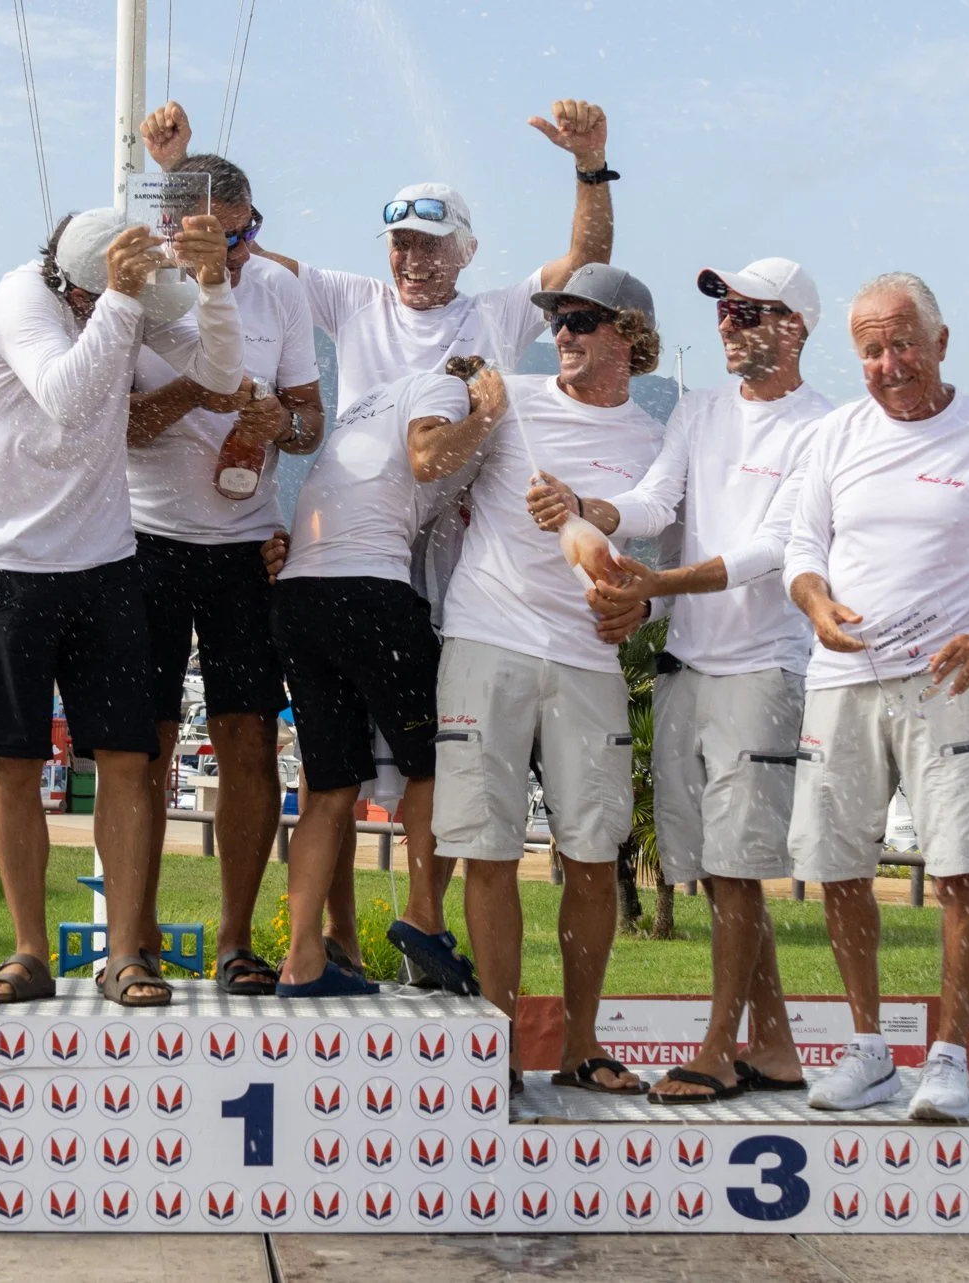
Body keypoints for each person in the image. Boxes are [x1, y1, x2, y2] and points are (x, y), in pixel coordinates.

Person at [150, 96, 617, 994]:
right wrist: (172, 172)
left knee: (374, 766)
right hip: (360, 555)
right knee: (396, 759)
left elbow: (585, 265)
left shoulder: (494, 312)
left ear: (466, 252)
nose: (411, 258)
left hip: (428, 559)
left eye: (430, 244)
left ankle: (338, 954)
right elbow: (228, 244)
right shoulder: (351, 299)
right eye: (398, 242)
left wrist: (589, 163)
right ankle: (391, 940)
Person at [782, 272, 969, 1119]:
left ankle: (947, 1057)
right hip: (842, 679)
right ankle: (868, 1049)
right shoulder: (834, 435)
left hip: (949, 681)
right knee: (838, 869)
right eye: (871, 348)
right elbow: (803, 549)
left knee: (959, 870)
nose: (889, 361)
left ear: (942, 342)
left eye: (904, 341)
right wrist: (816, 603)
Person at [0, 205, 243, 1009]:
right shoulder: (22, 299)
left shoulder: (115, 305)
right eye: (108, 296)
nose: (119, 310)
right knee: (13, 764)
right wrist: (120, 303)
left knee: (127, 758)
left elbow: (220, 375)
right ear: (76, 284)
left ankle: (126, 953)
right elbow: (68, 397)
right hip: (7, 564)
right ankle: (27, 950)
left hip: (105, 561)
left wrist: (214, 286)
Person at [568, 258, 832, 1103]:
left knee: (737, 864)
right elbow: (653, 499)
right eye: (723, 310)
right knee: (722, 868)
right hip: (689, 664)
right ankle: (781, 1046)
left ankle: (719, 1048)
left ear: (797, 326)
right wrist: (598, 512)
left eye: (751, 311)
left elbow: (773, 551)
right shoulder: (698, 408)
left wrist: (655, 587)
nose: (730, 323)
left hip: (764, 666)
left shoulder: (827, 428)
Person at [437, 266, 666, 1092]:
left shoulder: (654, 439)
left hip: (587, 657)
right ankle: (495, 1046)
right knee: (488, 850)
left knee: (593, 856)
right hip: (484, 637)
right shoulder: (512, 403)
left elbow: (657, 566)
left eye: (583, 320)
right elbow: (429, 465)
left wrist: (636, 613)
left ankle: (581, 1045)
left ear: (630, 338)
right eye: (558, 319)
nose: (563, 332)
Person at [124, 126, 327, 995]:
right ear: (175, 232)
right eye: (219, 239)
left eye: (246, 234)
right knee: (145, 746)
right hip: (141, 537)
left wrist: (282, 424)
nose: (239, 254)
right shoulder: (138, 290)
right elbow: (121, 428)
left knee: (247, 740)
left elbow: (314, 421)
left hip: (246, 545)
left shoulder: (278, 290)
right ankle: (132, 940)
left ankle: (236, 939)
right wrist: (197, 395)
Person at [262, 357, 508, 996]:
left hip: (299, 597)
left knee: (329, 786)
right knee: (436, 762)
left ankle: (303, 960)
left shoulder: (369, 403)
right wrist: (488, 412)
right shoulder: (442, 391)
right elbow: (429, 458)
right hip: (369, 591)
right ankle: (423, 918)